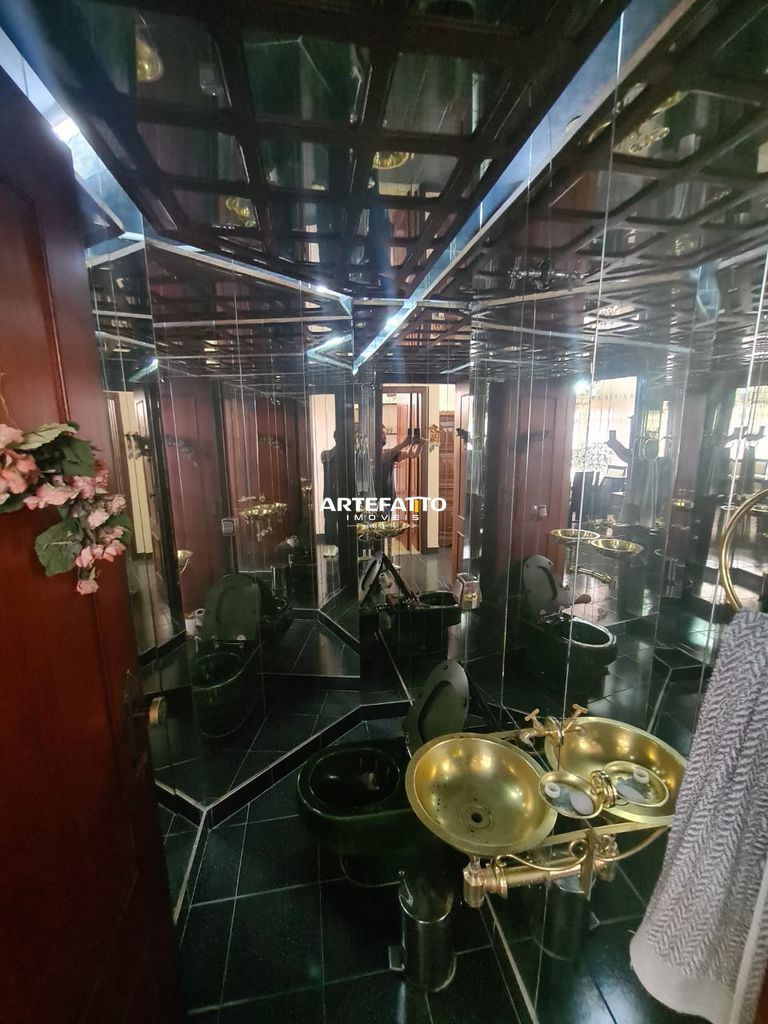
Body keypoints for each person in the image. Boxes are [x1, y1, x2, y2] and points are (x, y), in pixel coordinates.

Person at [378, 426, 425, 503]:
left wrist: (420, 445)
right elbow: (389, 454)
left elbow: (412, 454)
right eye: (383, 434)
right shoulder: (381, 455)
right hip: (378, 499)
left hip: (389, 499)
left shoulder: (389, 454)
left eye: (385, 434)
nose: (385, 437)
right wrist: (405, 443)